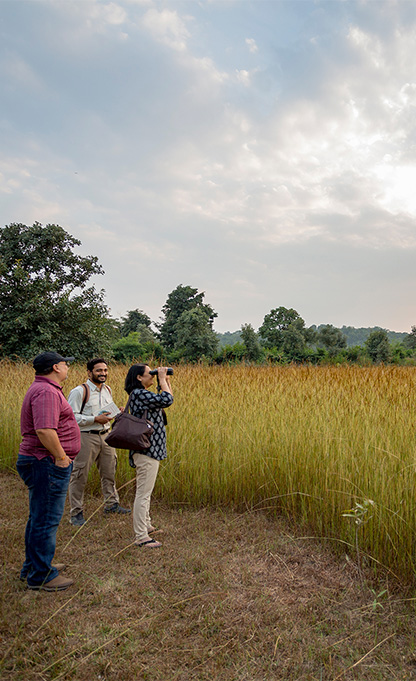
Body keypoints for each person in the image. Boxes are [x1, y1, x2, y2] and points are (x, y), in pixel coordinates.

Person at [17, 352, 81, 592]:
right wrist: (61, 457)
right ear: (56, 367)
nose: (67, 368)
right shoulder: (46, 391)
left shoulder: (47, 389)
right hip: (45, 462)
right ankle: (41, 575)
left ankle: (34, 566)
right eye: (65, 364)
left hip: (42, 461)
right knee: (45, 520)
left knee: (38, 517)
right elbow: (44, 430)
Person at [67, 358, 130, 526]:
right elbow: (70, 417)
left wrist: (118, 412)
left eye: (105, 370)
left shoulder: (107, 389)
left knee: (109, 472)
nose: (103, 373)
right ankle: (76, 513)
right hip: (86, 437)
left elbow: (108, 411)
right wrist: (94, 419)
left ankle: (112, 505)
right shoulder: (79, 391)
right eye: (99, 370)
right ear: (89, 372)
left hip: (107, 436)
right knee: (79, 475)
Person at [124, 365, 173, 548]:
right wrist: (161, 379)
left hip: (150, 451)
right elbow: (168, 400)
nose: (152, 376)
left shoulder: (143, 395)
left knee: (146, 492)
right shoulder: (138, 393)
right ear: (138, 377)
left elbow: (165, 399)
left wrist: (165, 381)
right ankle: (141, 536)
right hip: (146, 451)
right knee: (143, 494)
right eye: (149, 373)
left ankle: (147, 525)